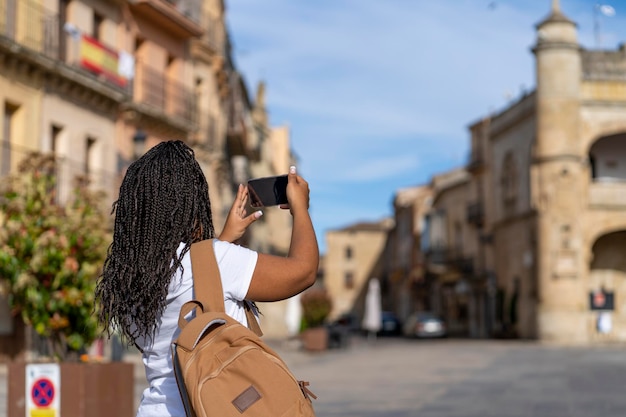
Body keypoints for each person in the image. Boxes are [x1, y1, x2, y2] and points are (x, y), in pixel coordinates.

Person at [95, 140, 319, 417]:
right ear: (190, 202)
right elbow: (303, 272)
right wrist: (300, 209)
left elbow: (190, 287)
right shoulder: (214, 260)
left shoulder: (131, 276)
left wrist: (223, 240)